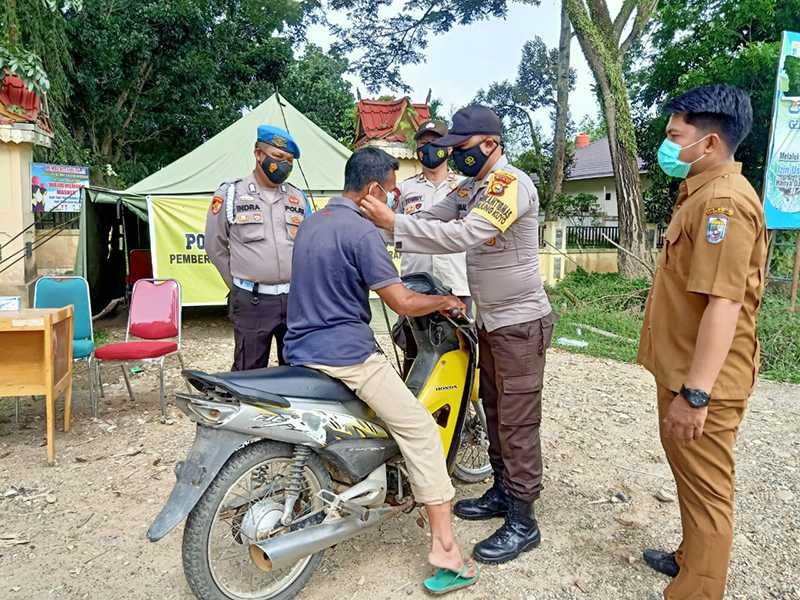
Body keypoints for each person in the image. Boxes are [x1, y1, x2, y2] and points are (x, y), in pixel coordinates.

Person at [361, 105, 558, 565]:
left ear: (490, 144)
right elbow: (431, 218)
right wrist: (382, 222)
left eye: (462, 149)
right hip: (489, 320)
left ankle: (524, 520)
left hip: (519, 321)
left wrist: (393, 225)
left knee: (517, 418)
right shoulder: (472, 185)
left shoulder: (510, 185)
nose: (455, 157)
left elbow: (464, 233)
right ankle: (502, 491)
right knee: (492, 407)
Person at [283, 147, 479, 593]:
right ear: (373, 189)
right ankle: (445, 550)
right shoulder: (362, 231)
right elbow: (403, 302)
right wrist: (446, 301)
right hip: (346, 356)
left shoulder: (310, 222)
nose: (391, 202)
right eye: (390, 192)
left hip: (300, 349)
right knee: (421, 431)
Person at [637, 85, 767, 600]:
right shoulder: (700, 191)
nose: (668, 145)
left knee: (709, 493)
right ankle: (689, 559)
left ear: (709, 143)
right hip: (683, 373)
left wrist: (695, 396)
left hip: (702, 384)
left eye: (675, 136)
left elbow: (724, 305)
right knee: (691, 480)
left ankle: (699, 589)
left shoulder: (722, 203)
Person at [205, 125, 310, 371]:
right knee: (249, 372)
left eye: (289, 160)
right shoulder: (231, 193)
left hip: (295, 300)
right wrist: (239, 285)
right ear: (258, 155)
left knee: (299, 369)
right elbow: (215, 245)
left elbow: (309, 247)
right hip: (252, 301)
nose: (284, 165)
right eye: (278, 157)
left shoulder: (298, 198)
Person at [392, 120, 470, 375]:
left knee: (460, 352)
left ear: (448, 149)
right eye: (423, 144)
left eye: (435, 143)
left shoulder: (466, 187)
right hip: (416, 287)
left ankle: (461, 414)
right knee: (414, 354)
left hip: (457, 283)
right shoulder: (404, 189)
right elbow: (389, 228)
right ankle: (410, 409)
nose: (429, 149)